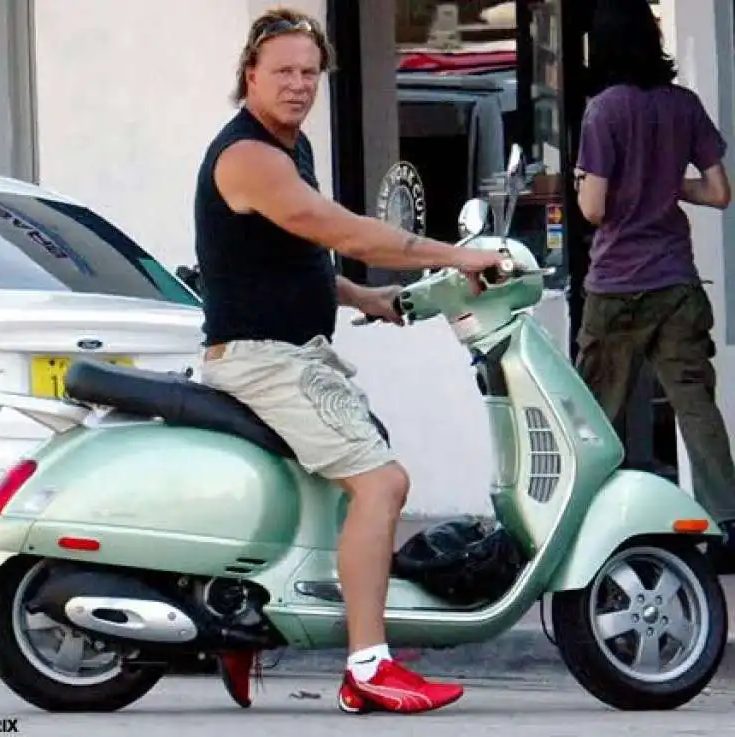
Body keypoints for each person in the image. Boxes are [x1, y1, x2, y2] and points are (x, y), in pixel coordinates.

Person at [193, 6, 508, 715]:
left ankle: (249, 619)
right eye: (283, 72)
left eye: (310, 72)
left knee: (338, 486)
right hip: (265, 359)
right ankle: (369, 666)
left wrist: (372, 297)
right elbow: (333, 228)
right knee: (382, 483)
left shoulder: (288, 146)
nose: (299, 84)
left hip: (290, 352)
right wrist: (457, 254)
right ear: (249, 74)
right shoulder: (249, 157)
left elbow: (296, 255)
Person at [573, 0, 735, 564]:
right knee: (695, 404)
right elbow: (719, 192)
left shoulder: (603, 111)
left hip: (616, 283)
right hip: (676, 281)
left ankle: (589, 522)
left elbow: (593, 210)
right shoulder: (683, 105)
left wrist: (591, 187)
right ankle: (727, 522)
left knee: (597, 412)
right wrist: (668, 187)